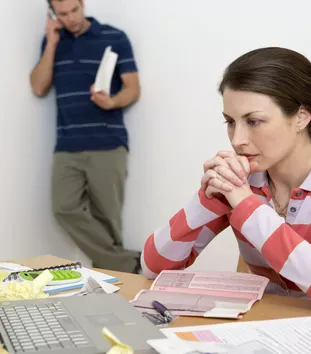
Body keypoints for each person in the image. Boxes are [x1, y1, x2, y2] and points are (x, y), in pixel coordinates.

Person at [141, 47, 311, 298]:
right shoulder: (242, 183)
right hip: (265, 328)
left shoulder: (243, 196)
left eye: (253, 121)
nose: (238, 140)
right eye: (230, 122)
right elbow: (153, 267)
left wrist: (246, 206)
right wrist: (205, 199)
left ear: (301, 117)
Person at [30, 0, 141, 273]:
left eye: (74, 10)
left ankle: (116, 283)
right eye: (63, 14)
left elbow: (133, 88)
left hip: (107, 142)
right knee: (63, 208)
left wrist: (111, 102)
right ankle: (128, 264)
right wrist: (53, 42)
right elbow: (38, 86)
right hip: (66, 144)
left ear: (82, 5)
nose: (70, 18)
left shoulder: (114, 37)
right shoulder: (52, 42)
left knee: (108, 219)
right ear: (54, 14)